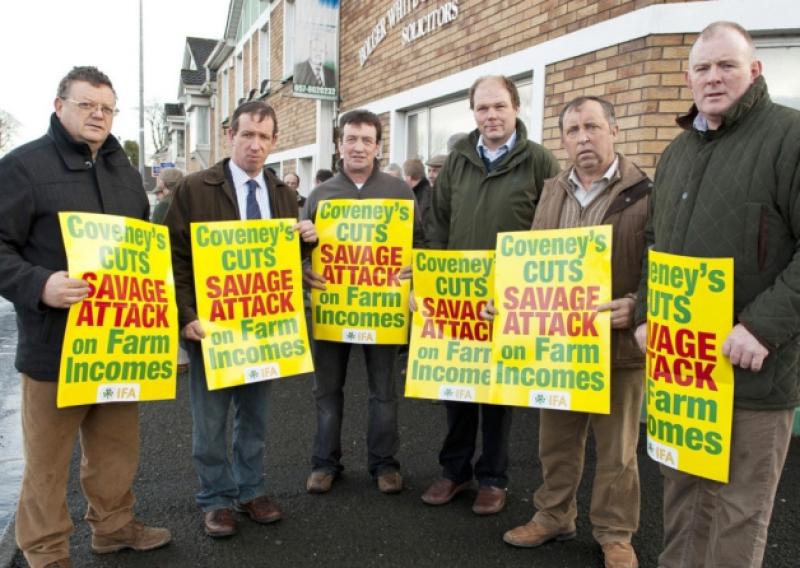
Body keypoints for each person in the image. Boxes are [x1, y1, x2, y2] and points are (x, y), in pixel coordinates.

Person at [632, 21, 800, 568]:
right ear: (688, 79)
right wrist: (645, 312)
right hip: (684, 370)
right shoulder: (677, 151)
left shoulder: (789, 137)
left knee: (737, 515)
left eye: (726, 65)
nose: (713, 77)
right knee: (682, 499)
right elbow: (657, 245)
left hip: (753, 371)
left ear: (754, 70)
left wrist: (762, 328)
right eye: (702, 68)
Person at [0, 66, 171, 568]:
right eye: (86, 104)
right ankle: (46, 551)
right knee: (47, 464)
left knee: (116, 450)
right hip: (54, 345)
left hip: (118, 344)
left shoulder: (123, 172)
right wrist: (40, 285)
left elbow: (142, 253)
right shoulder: (23, 167)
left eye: (107, 108)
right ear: (59, 107)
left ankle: (114, 528)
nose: (98, 114)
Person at [499, 96, 650, 568]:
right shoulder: (551, 190)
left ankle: (614, 533)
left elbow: (661, 257)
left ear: (614, 129)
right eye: (572, 131)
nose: (583, 138)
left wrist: (639, 305)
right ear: (562, 140)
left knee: (618, 451)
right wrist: (504, 299)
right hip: (558, 345)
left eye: (593, 127)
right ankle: (553, 516)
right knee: (556, 442)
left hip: (618, 344)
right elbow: (529, 260)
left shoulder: (646, 190)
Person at [165, 101, 318, 539]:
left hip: (264, 330)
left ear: (274, 142)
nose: (255, 145)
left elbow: (281, 262)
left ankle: (251, 490)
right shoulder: (195, 188)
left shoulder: (284, 195)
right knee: (210, 421)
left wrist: (306, 243)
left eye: (264, 137)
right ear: (230, 134)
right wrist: (186, 316)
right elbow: (173, 260)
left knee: (255, 418)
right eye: (247, 135)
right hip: (211, 329)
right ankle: (216, 500)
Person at [422, 75, 560, 515]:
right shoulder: (459, 159)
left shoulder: (539, 161)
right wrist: (432, 283)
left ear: (516, 107)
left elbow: (554, 225)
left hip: (509, 298)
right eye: (482, 108)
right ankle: (454, 471)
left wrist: (531, 289)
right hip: (458, 293)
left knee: (500, 395)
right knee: (457, 389)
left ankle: (494, 478)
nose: (491, 116)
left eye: (499, 106)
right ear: (473, 113)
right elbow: (437, 221)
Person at [302, 109, 421, 495]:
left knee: (383, 391)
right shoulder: (320, 195)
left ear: (378, 147)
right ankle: (325, 464)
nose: (358, 146)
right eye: (350, 139)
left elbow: (419, 246)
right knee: (327, 391)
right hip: (332, 307)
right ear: (338, 145)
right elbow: (301, 250)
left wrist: (414, 273)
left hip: (382, 307)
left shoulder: (400, 192)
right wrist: (305, 269)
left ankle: (384, 465)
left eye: (366, 140)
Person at [402, 158, 432, 229]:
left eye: (404, 176)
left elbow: (420, 225)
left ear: (408, 178)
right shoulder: (429, 191)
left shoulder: (420, 196)